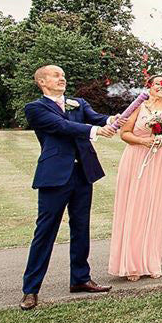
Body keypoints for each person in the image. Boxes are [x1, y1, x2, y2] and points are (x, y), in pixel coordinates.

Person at [20, 65, 118, 310]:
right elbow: (61, 127)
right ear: (42, 82)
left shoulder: (78, 103)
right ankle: (31, 289)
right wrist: (96, 130)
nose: (62, 78)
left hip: (83, 173)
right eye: (56, 75)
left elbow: (97, 118)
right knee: (45, 231)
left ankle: (81, 279)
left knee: (81, 226)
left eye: (63, 74)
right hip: (55, 176)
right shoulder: (35, 108)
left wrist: (112, 120)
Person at [108, 75, 162, 281]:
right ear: (149, 87)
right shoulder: (138, 106)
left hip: (159, 161)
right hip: (135, 159)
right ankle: (131, 263)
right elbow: (124, 133)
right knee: (134, 208)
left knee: (154, 209)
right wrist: (144, 141)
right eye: (158, 83)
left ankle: (150, 261)